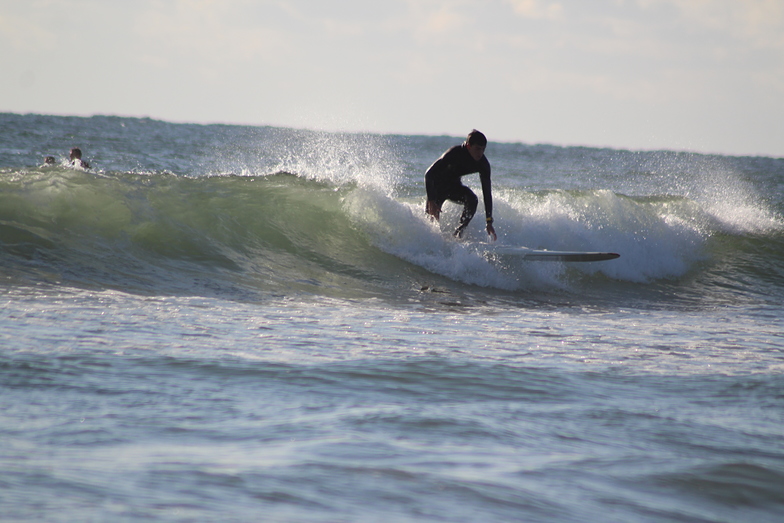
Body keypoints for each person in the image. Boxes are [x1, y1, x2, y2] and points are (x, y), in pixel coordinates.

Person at [425, 129, 496, 240]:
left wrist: (489, 221)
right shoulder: (454, 153)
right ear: (468, 146)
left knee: (472, 199)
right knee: (430, 225)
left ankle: (458, 233)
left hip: (454, 188)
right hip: (437, 189)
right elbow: (429, 174)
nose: (480, 153)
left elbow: (487, 193)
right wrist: (431, 200)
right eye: (477, 149)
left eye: (483, 149)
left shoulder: (483, 164)